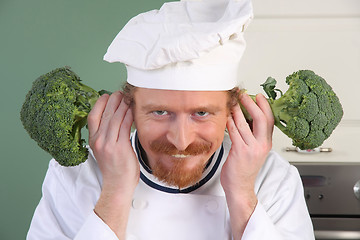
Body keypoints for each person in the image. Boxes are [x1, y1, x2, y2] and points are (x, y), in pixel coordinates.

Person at [27, 0, 315, 239]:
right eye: (160, 112)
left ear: (232, 111)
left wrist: (241, 192)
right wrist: (115, 190)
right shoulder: (76, 176)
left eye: (201, 113)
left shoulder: (272, 179)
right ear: (128, 109)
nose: (181, 139)